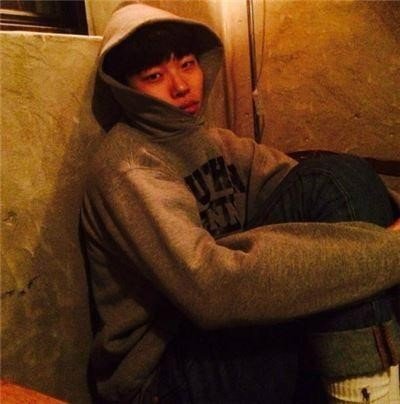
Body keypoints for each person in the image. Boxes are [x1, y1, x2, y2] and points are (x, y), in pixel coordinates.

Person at [81, 2, 400, 403]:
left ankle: (374, 389)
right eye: (154, 76)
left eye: (187, 64)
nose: (181, 86)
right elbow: (213, 291)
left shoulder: (215, 142)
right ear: (127, 88)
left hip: (218, 334)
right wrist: (390, 252)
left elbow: (329, 188)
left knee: (338, 175)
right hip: (163, 375)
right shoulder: (129, 168)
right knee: (347, 277)